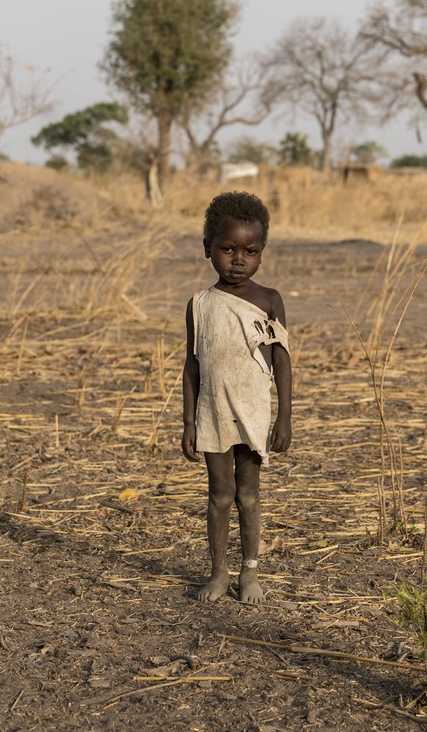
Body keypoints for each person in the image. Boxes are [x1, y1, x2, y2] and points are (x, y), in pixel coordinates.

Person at [181, 191, 293, 604]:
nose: (239, 259)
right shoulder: (199, 305)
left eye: (251, 250)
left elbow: (281, 361)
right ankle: (217, 573)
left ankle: (250, 573)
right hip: (213, 410)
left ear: (262, 252)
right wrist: (188, 421)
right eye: (227, 249)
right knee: (219, 494)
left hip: (253, 409)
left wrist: (284, 416)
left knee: (248, 494)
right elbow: (192, 365)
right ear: (207, 248)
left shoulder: (269, 300)